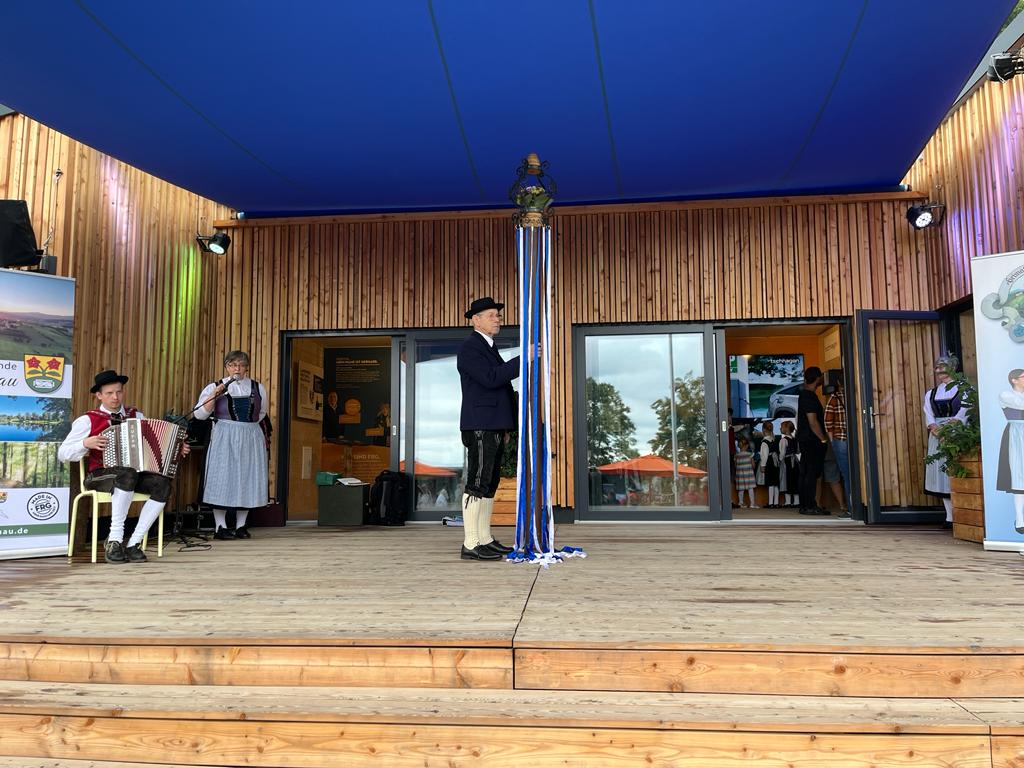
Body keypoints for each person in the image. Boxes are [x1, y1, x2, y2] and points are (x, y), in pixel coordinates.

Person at [58, 369, 189, 563]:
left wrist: (177, 447)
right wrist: (85, 443)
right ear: (99, 395)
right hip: (99, 475)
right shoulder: (88, 420)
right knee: (127, 474)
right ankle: (115, 540)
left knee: (162, 484)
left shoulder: (136, 415)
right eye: (109, 393)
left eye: (118, 392)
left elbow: (154, 443)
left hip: (131, 475)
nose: (115, 397)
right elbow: (62, 453)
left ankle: (133, 543)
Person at [456, 296, 528, 561]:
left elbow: (498, 388)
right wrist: (524, 359)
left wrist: (505, 426)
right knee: (478, 481)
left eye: (498, 315)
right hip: (480, 425)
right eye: (492, 315)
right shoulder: (470, 348)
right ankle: (471, 543)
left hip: (492, 425)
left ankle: (484, 538)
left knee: (489, 482)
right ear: (476, 320)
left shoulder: (488, 347)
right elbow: (491, 379)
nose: (498, 319)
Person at [194, 351, 268, 540]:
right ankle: (220, 526)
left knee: (247, 477)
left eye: (241, 365)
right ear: (227, 367)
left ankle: (241, 526)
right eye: (233, 365)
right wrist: (214, 394)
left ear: (246, 368)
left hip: (250, 435)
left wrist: (246, 428)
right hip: (224, 435)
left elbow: (261, 413)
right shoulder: (215, 386)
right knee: (222, 477)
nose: (237, 369)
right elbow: (199, 415)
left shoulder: (258, 387)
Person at [923, 355, 967, 526]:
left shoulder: (964, 389)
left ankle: (961, 515)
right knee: (940, 474)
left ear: (953, 368)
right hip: (938, 435)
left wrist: (950, 429)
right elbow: (928, 414)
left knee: (956, 470)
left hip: (957, 434)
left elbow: (964, 411)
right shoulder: (931, 393)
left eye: (943, 367)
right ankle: (949, 516)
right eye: (938, 367)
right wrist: (936, 429)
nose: (940, 370)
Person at [797, 366, 830, 515]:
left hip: (805, 439)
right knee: (811, 473)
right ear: (817, 378)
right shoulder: (809, 397)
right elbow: (813, 421)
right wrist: (823, 439)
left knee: (805, 472)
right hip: (812, 440)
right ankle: (810, 505)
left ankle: (804, 505)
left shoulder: (803, 395)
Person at [997, 369, 1024, 534]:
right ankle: (1020, 519)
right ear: (1014, 380)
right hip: (1017, 434)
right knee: (1019, 476)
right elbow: (1020, 404)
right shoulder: (1006, 395)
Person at [824, 376, 850, 517]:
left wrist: (832, 441)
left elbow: (828, 422)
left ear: (839, 383)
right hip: (857, 440)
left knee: (846, 474)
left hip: (840, 440)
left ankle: (850, 508)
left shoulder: (834, 398)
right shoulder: (857, 396)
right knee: (858, 473)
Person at [758, 421, 781, 508]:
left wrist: (762, 465)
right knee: (776, 483)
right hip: (776, 462)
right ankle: (776, 502)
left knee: (770, 483)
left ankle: (771, 503)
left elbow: (764, 455)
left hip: (769, 463)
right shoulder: (774, 440)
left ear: (763, 430)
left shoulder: (764, 442)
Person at [778, 420, 800, 508]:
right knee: (795, 480)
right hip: (795, 462)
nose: (780, 428)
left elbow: (782, 453)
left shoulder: (783, 440)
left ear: (787, 428)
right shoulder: (794, 439)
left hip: (787, 461)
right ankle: (796, 501)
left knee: (787, 480)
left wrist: (780, 460)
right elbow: (798, 451)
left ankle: (788, 502)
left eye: (781, 427)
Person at [734, 437, 757, 508]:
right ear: (747, 445)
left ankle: (740, 503)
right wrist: (753, 467)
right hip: (749, 474)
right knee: (750, 489)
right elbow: (753, 465)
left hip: (740, 474)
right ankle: (752, 504)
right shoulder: (750, 454)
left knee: (741, 489)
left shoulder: (736, 456)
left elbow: (735, 466)